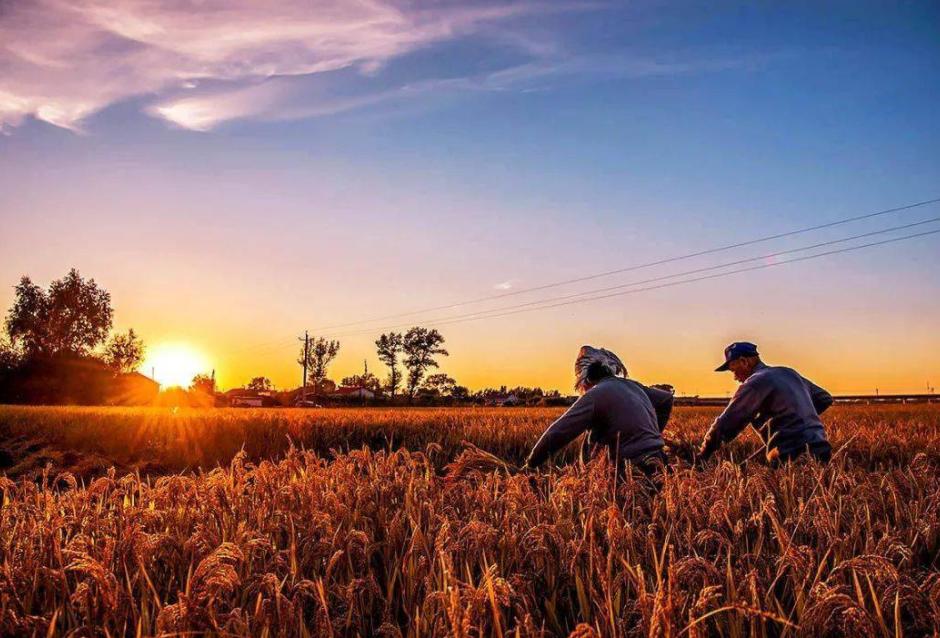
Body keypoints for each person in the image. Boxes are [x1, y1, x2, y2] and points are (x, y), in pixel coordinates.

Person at [524, 345, 674, 476]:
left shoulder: (595, 395)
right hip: (660, 461)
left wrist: (531, 464)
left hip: (632, 468)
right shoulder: (632, 385)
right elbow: (666, 399)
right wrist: (654, 434)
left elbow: (558, 432)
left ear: (586, 379)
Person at [698, 341, 833, 465]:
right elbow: (825, 398)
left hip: (790, 454)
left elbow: (727, 422)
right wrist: (797, 414)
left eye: (734, 370)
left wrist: (704, 454)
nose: (734, 377)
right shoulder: (789, 373)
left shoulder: (755, 382)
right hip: (822, 448)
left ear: (744, 362)